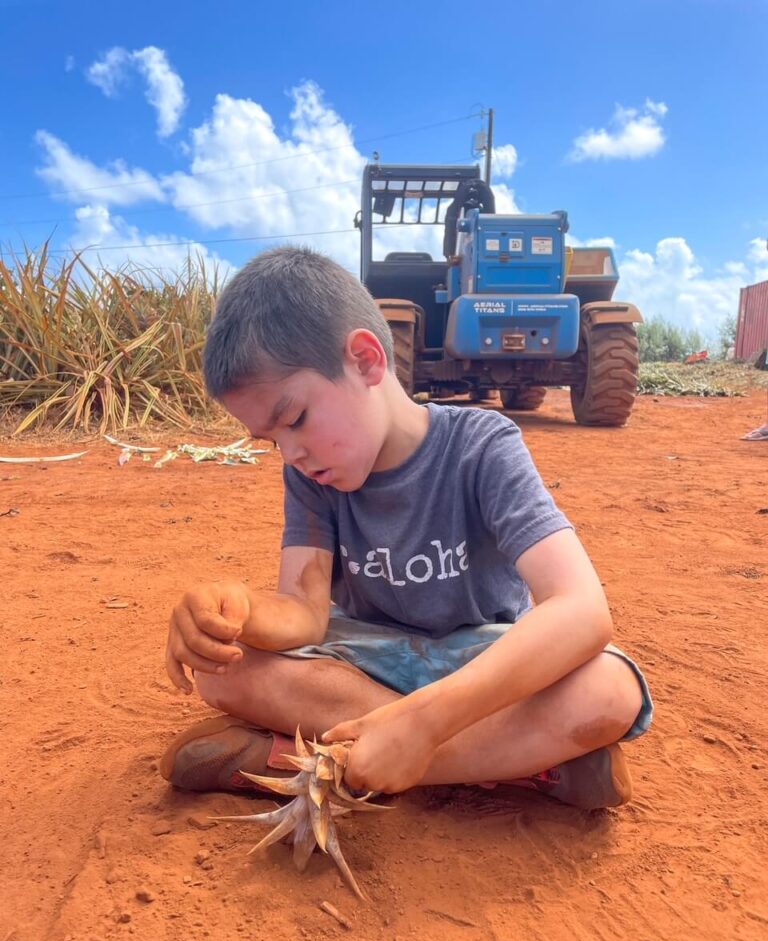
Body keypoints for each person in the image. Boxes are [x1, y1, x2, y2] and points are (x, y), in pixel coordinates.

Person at [160, 246, 653, 810]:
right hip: (368, 657)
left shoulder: (482, 446)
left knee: (607, 690)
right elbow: (303, 610)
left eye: (294, 418)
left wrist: (425, 721)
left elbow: (582, 609)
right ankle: (520, 767)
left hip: (477, 662)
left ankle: (320, 763)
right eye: (273, 440)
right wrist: (234, 610)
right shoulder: (311, 473)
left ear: (367, 361)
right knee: (224, 672)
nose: (291, 452)